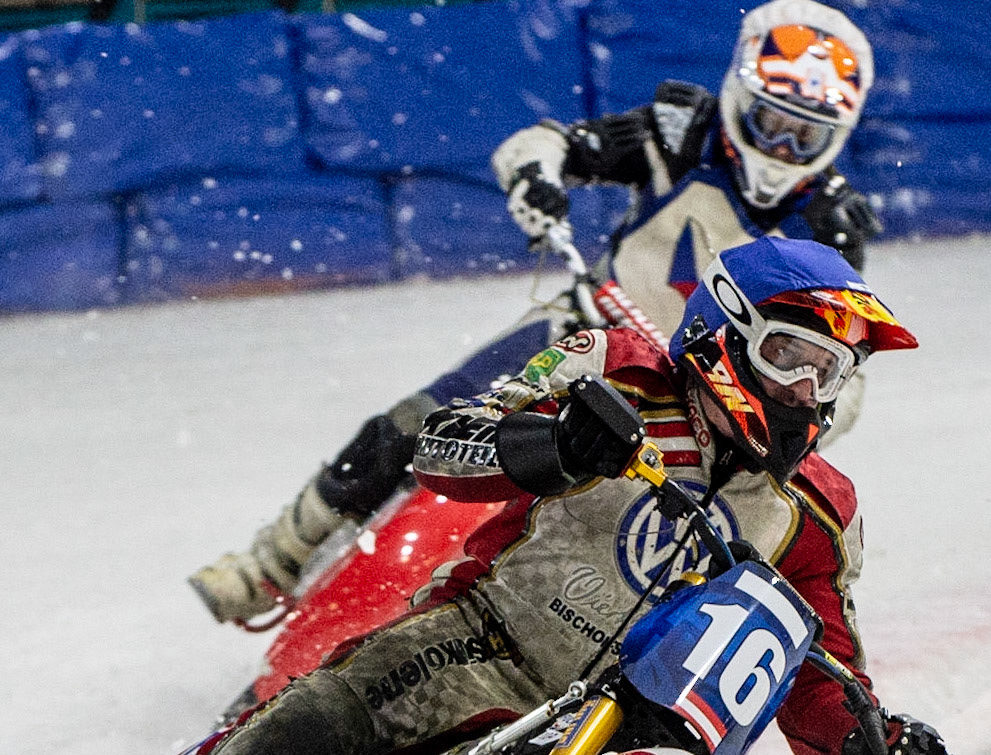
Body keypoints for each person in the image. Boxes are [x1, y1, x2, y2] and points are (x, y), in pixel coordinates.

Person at [34, 238, 956, 755]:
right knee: (313, 720)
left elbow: (813, 661)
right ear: (722, 328)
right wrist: (544, 444)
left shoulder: (817, 513)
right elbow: (442, 443)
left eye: (828, 372)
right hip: (488, 641)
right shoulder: (609, 363)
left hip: (617, 735)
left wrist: (872, 750)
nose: (804, 390)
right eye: (788, 355)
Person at [189, 0, 886, 624]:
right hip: (586, 329)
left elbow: (843, 367)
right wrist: (537, 179)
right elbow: (545, 144)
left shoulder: (831, 222)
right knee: (415, 424)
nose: (780, 150)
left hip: (706, 403)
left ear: (838, 136)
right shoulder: (680, 133)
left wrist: (796, 411)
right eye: (770, 122)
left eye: (805, 136)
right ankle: (269, 563)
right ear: (739, 96)